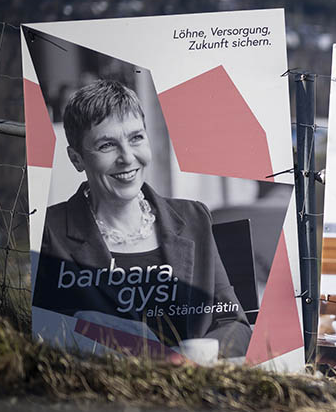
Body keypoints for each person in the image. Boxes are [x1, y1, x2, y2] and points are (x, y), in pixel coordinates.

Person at [35, 80, 252, 357]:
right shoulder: (49, 232)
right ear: (76, 159)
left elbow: (234, 322)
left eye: (136, 138)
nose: (127, 158)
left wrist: (201, 354)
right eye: (106, 145)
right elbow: (45, 334)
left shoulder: (194, 217)